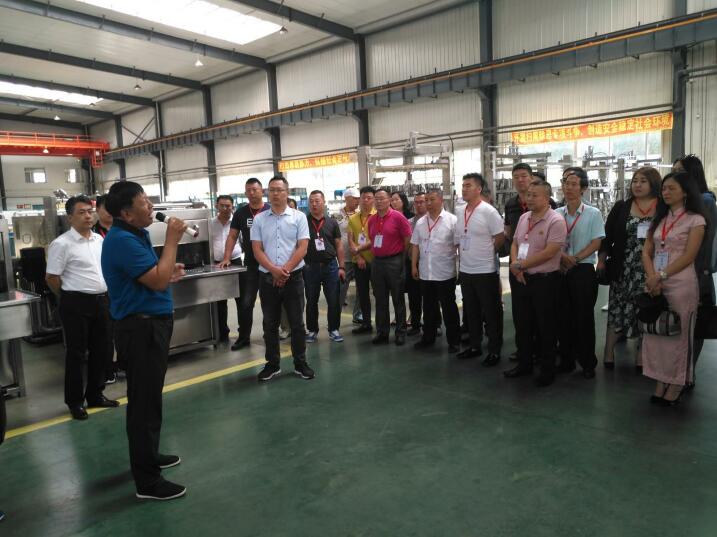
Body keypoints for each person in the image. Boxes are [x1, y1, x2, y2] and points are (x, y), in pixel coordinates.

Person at [102, 181, 187, 500]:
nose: (151, 206)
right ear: (126, 213)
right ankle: (147, 482)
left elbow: (154, 276)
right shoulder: (122, 240)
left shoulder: (135, 234)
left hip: (150, 325)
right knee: (143, 404)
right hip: (140, 330)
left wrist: (167, 271)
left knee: (149, 400)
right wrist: (172, 240)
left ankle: (148, 456)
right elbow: (157, 281)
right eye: (144, 202)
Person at [45, 195, 119, 421]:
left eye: (89, 211)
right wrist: (68, 297)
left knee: (102, 350)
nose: (88, 216)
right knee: (76, 354)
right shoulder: (61, 244)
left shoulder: (99, 240)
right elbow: (52, 277)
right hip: (75, 303)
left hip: (102, 301)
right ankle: (75, 402)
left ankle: (95, 395)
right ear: (70, 217)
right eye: (81, 212)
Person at [641, 172, 706, 406]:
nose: (665, 192)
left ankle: (678, 382)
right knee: (657, 335)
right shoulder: (659, 219)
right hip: (656, 284)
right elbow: (646, 251)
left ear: (685, 191)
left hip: (681, 284)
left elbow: (689, 255)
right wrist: (652, 277)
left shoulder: (696, 220)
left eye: (672, 188)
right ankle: (661, 380)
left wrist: (660, 275)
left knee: (679, 334)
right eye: (664, 188)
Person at [504, 180, 567, 387]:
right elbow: (515, 242)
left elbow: (550, 252)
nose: (529, 198)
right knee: (522, 324)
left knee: (545, 327)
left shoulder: (556, 221)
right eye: (528, 195)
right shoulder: (524, 217)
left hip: (545, 281)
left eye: (534, 195)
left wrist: (520, 265)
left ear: (547, 198)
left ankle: (547, 370)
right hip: (522, 279)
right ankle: (524, 364)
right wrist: (515, 265)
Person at [598, 167, 661, 371]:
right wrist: (601, 260)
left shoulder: (663, 207)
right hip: (623, 268)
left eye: (643, 181)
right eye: (635, 181)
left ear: (653, 184)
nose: (637, 185)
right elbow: (607, 236)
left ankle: (641, 356)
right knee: (617, 309)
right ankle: (608, 352)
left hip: (650, 270)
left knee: (645, 310)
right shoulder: (622, 207)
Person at [251, 176, 313, 381]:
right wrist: (273, 270)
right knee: (270, 324)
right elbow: (257, 249)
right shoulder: (259, 219)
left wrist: (284, 271)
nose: (275, 193)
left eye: (279, 190)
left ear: (287, 192)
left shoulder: (299, 217)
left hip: (293, 278)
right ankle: (272, 364)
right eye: (272, 190)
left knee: (297, 324)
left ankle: (300, 363)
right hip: (267, 279)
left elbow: (302, 248)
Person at [555, 169, 606, 379]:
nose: (569, 187)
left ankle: (587, 362)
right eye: (566, 183)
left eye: (574, 184)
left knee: (583, 317)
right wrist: (562, 257)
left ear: (583, 188)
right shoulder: (556, 214)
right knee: (563, 317)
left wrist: (574, 259)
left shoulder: (593, 213)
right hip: (560, 269)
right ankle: (566, 360)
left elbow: (596, 242)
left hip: (583, 269)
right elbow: (550, 242)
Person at [673, 154, 717, 386]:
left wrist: (701, 273)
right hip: (675, 272)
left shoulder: (705, 201)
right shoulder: (676, 202)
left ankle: (688, 372)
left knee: (695, 325)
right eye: (673, 171)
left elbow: (706, 244)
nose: (675, 176)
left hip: (696, 273)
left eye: (680, 171)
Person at [454, 173, 505, 364]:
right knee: (472, 311)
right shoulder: (460, 211)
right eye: (463, 185)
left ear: (479, 189)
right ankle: (475, 346)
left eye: (468, 185)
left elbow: (500, 237)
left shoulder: (488, 212)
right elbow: (459, 238)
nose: (464, 189)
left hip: (485, 270)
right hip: (466, 270)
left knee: (491, 313)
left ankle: (494, 350)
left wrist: (487, 252)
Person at [220, 178, 270, 351]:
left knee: (269, 303)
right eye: (248, 190)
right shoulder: (241, 213)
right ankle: (243, 337)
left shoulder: (270, 210)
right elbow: (232, 236)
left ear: (262, 191)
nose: (252, 193)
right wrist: (227, 257)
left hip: (269, 265)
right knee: (246, 303)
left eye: (255, 190)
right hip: (250, 265)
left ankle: (269, 335)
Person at [410, 189, 460, 352]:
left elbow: (459, 246)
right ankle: (428, 338)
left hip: (445, 273)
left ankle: (454, 341)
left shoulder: (452, 221)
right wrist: (414, 265)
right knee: (429, 308)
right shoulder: (420, 223)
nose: (428, 203)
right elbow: (415, 245)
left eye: (432, 199)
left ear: (441, 200)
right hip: (426, 273)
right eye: (426, 200)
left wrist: (460, 268)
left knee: (449, 308)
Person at [368, 188, 413, 345]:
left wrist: (401, 257)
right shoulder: (372, 220)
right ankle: (382, 332)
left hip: (394, 261)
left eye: (382, 198)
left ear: (389, 200)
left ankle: (400, 332)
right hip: (377, 262)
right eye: (376, 198)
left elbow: (407, 238)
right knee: (380, 299)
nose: (379, 201)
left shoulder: (398, 217)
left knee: (397, 298)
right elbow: (372, 239)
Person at [304, 190, 345, 343]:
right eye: (311, 201)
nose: (314, 204)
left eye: (317, 201)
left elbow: (339, 245)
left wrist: (341, 267)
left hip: (330, 266)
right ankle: (312, 330)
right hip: (310, 267)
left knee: (333, 300)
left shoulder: (332, 222)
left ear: (324, 202)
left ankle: (334, 329)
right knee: (311, 300)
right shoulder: (303, 222)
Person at [94, 194, 121, 384]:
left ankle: (124, 364)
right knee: (106, 334)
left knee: (124, 328)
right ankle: (108, 370)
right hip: (103, 290)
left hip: (122, 288)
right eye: (106, 208)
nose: (110, 212)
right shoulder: (93, 234)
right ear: (97, 210)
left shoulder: (123, 230)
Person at [212, 195, 242, 342]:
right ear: (216, 206)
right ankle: (222, 333)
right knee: (219, 300)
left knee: (241, 299)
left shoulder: (237, 222)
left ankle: (243, 332)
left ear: (232, 206)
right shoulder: (210, 223)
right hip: (216, 264)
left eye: (228, 206)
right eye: (222, 205)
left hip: (235, 261)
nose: (225, 208)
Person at [348, 186, 377, 335]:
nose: (365, 201)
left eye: (369, 198)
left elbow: (376, 239)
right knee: (363, 294)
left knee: (379, 294)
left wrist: (358, 249)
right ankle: (366, 323)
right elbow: (351, 239)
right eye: (363, 198)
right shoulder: (353, 218)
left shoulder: (378, 216)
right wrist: (358, 256)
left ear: (374, 200)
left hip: (376, 262)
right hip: (359, 262)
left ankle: (382, 324)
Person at [334, 187, 362, 325]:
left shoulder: (361, 214)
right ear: (347, 199)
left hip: (359, 256)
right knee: (341, 289)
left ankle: (358, 314)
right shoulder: (336, 216)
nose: (357, 201)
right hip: (344, 259)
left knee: (361, 289)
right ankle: (335, 318)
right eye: (355, 199)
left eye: (358, 199)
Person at [406, 192, 427, 336]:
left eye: (422, 202)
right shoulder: (409, 222)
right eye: (416, 202)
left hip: (428, 263)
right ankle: (415, 324)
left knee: (430, 297)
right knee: (414, 297)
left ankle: (434, 324)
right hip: (412, 263)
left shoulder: (431, 220)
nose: (419, 205)